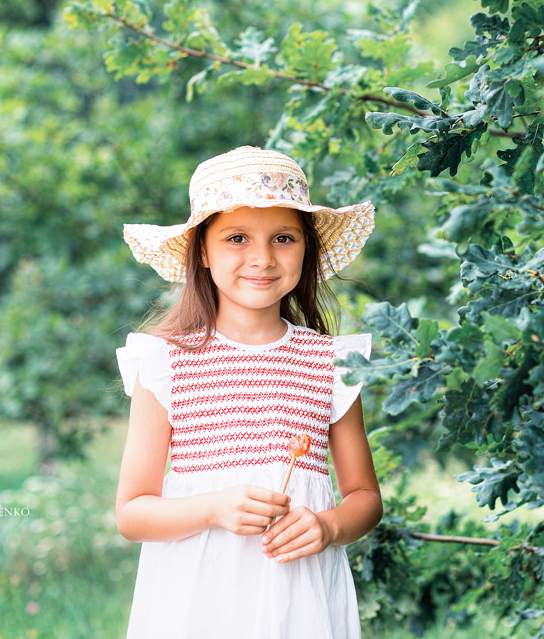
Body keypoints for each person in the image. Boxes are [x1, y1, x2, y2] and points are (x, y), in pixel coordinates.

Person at [114, 146, 383, 638]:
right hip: (196, 603)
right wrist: (214, 507)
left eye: (283, 238)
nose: (262, 258)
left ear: (307, 248)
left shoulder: (329, 361)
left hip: (297, 602)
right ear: (202, 250)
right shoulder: (165, 361)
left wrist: (328, 527)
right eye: (236, 238)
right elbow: (132, 513)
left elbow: (365, 497)